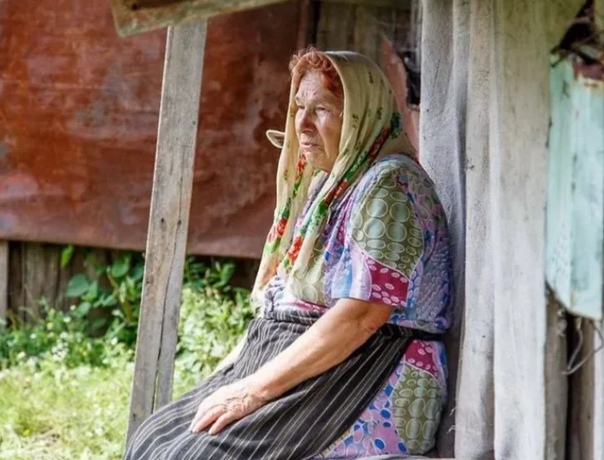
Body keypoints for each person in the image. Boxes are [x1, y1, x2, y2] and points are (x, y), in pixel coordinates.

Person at [124, 48, 452, 460]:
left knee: (197, 456)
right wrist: (233, 373)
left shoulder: (391, 187)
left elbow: (361, 317)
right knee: (155, 437)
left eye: (323, 109)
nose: (303, 124)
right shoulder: (333, 181)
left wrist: (252, 389)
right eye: (299, 107)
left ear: (360, 116)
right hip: (318, 363)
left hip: (367, 371)